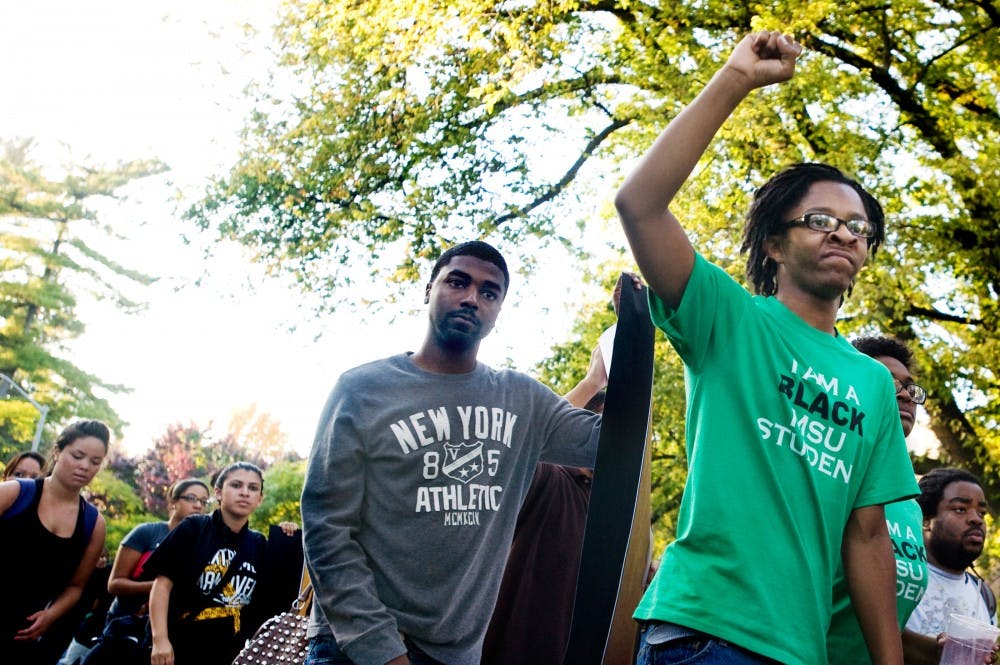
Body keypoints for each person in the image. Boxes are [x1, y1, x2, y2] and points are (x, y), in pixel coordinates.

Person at [615, 31, 919, 665]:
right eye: (820, 219)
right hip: (705, 633)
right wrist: (736, 77)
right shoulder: (728, 319)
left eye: (858, 227)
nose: (843, 231)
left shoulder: (871, 384)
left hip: (802, 650)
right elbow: (639, 205)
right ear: (775, 247)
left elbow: (867, 540)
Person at [301, 240, 618, 665]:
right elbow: (326, 528)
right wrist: (380, 649)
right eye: (458, 282)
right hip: (356, 647)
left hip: (456, 655)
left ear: (498, 310)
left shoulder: (521, 399)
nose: (472, 298)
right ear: (428, 289)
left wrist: (630, 340)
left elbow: (615, 446)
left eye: (489, 292)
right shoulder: (361, 390)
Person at [481, 390, 605, 665]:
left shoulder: (616, 514)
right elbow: (522, 438)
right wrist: (590, 382)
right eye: (600, 426)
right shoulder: (548, 476)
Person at [826, 335, 929, 664]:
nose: (905, 394)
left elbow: (884, 621)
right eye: (888, 380)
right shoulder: (831, 475)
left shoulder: (911, 506)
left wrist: (934, 650)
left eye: (911, 388)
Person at [0, 420, 109, 663]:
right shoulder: (13, 493)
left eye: (95, 462)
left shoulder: (93, 522)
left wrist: (50, 615)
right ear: (58, 451)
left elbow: (76, 586)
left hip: (23, 634)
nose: (84, 467)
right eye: (77, 456)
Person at [146, 462, 268, 665]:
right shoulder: (193, 528)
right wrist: (160, 640)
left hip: (228, 653)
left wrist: (287, 534)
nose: (245, 493)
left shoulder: (259, 543)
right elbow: (162, 586)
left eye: (253, 488)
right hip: (178, 645)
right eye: (236, 485)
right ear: (219, 492)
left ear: (260, 499)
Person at [80, 479, 211, 665]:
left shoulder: (203, 545)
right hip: (124, 625)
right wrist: (162, 587)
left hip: (168, 631)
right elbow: (114, 584)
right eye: (191, 498)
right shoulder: (147, 533)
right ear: (173, 501)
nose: (198, 505)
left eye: (204, 501)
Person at [904, 468, 995, 660]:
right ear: (926, 521)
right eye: (960, 509)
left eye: (982, 513)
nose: (976, 519)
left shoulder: (984, 595)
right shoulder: (899, 577)